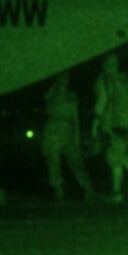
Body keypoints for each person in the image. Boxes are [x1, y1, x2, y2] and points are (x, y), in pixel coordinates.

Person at [92, 53, 128, 204]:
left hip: (114, 123)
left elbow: (101, 103)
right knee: (117, 158)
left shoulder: (104, 80)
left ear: (105, 65)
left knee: (115, 156)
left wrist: (94, 125)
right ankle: (117, 193)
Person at [42, 72, 96, 201]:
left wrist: (77, 135)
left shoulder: (71, 95)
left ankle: (88, 189)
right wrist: (55, 87)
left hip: (68, 130)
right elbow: (45, 98)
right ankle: (58, 190)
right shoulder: (52, 93)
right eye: (60, 78)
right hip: (53, 129)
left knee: (76, 161)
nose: (63, 80)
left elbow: (74, 115)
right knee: (53, 161)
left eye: (65, 78)